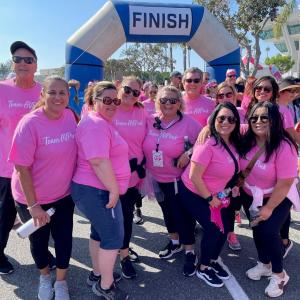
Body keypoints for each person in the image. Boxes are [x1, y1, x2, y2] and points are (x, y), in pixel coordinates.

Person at [9, 76, 77, 300]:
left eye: (62, 93)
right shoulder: (29, 123)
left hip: (63, 196)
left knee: (64, 239)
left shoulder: (70, 116)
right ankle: (44, 277)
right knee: (38, 241)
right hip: (32, 198)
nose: (58, 97)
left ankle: (61, 282)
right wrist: (33, 206)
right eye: (52, 92)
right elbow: (21, 167)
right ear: (42, 95)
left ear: (68, 96)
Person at [71, 81, 130, 300]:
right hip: (98, 189)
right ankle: (105, 286)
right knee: (113, 237)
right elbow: (98, 161)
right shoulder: (95, 124)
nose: (113, 104)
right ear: (93, 101)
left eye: (116, 100)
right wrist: (114, 191)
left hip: (96, 189)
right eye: (107, 100)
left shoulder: (101, 121)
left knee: (99, 232)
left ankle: (97, 274)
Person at [0, 41, 54, 275]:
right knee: (5, 215)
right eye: (18, 59)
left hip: (39, 169)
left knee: (36, 215)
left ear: (35, 65)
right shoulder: (2, 89)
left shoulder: (44, 91)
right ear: (13, 63)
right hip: (7, 166)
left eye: (28, 60)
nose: (23, 63)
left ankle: (43, 254)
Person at [177, 102, 241, 287]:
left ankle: (212, 260)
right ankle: (203, 268)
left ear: (237, 122)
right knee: (214, 228)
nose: (226, 122)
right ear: (214, 120)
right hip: (194, 191)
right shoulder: (208, 143)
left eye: (231, 118)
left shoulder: (234, 141)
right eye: (221, 118)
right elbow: (194, 176)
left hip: (215, 192)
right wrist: (209, 199)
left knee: (225, 226)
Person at [240, 101, 298, 298]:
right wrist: (206, 128)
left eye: (264, 117)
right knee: (257, 229)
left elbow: (285, 182)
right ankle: (264, 264)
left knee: (269, 231)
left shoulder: (284, 146)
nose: (258, 121)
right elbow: (220, 123)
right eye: (254, 117)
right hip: (251, 195)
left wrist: (269, 207)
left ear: (274, 120)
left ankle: (279, 274)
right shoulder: (246, 138)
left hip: (278, 196)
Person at [142, 85, 201, 263]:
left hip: (177, 179)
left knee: (182, 214)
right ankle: (175, 242)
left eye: (172, 100)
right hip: (155, 177)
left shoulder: (189, 123)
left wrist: (188, 153)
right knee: (166, 211)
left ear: (179, 103)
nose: (168, 104)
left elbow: (205, 142)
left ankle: (190, 250)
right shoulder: (150, 120)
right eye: (163, 100)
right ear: (157, 102)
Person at [113, 76, 147, 279]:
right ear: (119, 87)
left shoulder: (142, 112)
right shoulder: (109, 108)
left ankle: (124, 254)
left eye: (136, 92)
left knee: (126, 217)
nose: (131, 95)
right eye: (127, 89)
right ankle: (108, 260)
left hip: (134, 175)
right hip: (110, 176)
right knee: (109, 219)